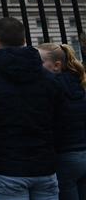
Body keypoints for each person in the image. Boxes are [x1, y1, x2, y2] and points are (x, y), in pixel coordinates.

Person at [0, 17, 62, 200]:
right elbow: (60, 121)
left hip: (5, 167)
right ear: (24, 40)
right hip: (44, 167)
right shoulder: (48, 78)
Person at [38, 42, 86, 200]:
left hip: (65, 154)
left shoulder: (52, 87)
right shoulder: (79, 83)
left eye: (41, 63)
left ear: (57, 65)